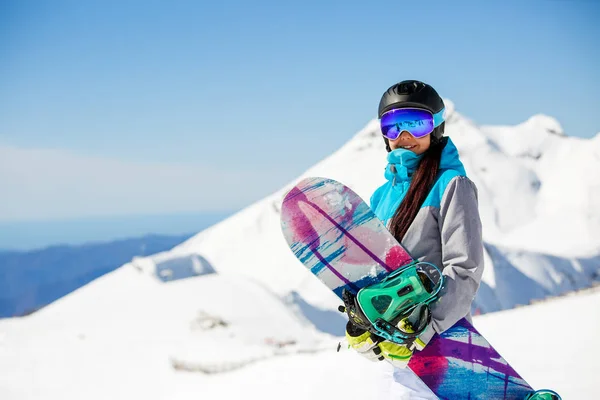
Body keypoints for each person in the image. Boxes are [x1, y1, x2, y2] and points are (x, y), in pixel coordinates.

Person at [345, 80, 485, 399]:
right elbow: (374, 274)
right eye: (393, 126)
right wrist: (362, 323)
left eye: (415, 124)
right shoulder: (381, 196)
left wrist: (424, 330)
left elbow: (464, 269)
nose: (404, 136)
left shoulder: (452, 184)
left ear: (435, 127)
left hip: (434, 347)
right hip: (393, 356)